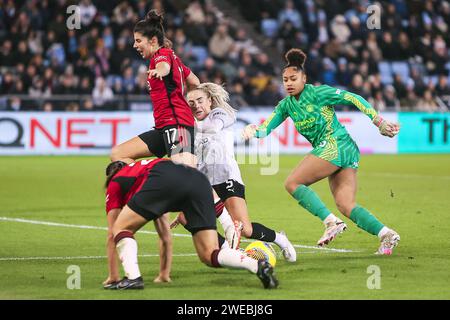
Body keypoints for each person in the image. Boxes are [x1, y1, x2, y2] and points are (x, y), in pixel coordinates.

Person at [242, 48, 401, 255]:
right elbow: (266, 129)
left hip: (336, 143)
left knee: (292, 183)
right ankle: (386, 234)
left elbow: (353, 98)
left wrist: (378, 120)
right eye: (285, 80)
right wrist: (253, 130)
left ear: (304, 78)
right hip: (341, 150)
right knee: (345, 204)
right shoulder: (286, 106)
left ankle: (330, 222)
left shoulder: (318, 93)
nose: (289, 83)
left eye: (293, 78)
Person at [105, 159, 278, 289]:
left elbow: (113, 233)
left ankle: (133, 278)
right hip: (198, 180)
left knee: (121, 228)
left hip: (164, 178)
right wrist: (164, 274)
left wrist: (113, 276)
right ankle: (257, 265)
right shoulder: (144, 174)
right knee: (209, 254)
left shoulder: (117, 180)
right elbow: (165, 236)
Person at [172, 83, 297, 262]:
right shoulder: (189, 127)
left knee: (244, 229)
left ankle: (280, 239)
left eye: (200, 101)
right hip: (206, 183)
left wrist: (185, 126)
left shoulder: (220, 114)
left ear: (210, 101)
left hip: (226, 178)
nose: (196, 106)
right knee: (186, 218)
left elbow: (213, 129)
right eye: (191, 103)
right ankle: (227, 249)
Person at [110, 9, 200, 167]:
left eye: (138, 41)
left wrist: (160, 71)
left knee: (187, 177)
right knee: (118, 154)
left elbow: (163, 66)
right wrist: (190, 105)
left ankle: (214, 193)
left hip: (177, 126)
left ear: (152, 41)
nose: (134, 45)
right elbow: (195, 81)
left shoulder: (161, 55)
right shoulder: (174, 58)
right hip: (163, 127)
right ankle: (152, 179)